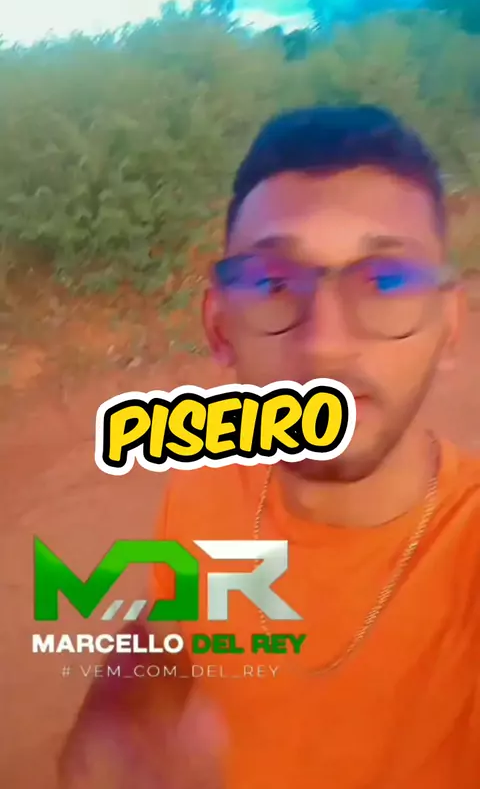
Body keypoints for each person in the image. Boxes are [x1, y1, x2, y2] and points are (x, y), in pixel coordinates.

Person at [60, 106, 480, 789]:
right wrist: (125, 706)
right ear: (220, 327)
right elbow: (168, 620)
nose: (325, 344)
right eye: (272, 283)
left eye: (385, 280)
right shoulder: (205, 478)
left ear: (449, 324)